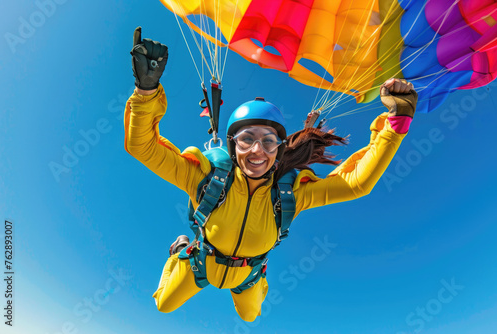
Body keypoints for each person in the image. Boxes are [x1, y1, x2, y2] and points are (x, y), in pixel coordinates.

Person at [124, 27, 418, 322]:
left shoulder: (290, 194)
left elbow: (356, 184)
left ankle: (260, 278)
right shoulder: (206, 178)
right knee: (163, 303)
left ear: (279, 148)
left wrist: (396, 125)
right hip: (199, 263)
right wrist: (146, 91)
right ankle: (179, 249)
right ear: (232, 145)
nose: (257, 151)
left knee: (250, 316)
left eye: (268, 141)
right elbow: (142, 147)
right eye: (246, 139)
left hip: (247, 275)